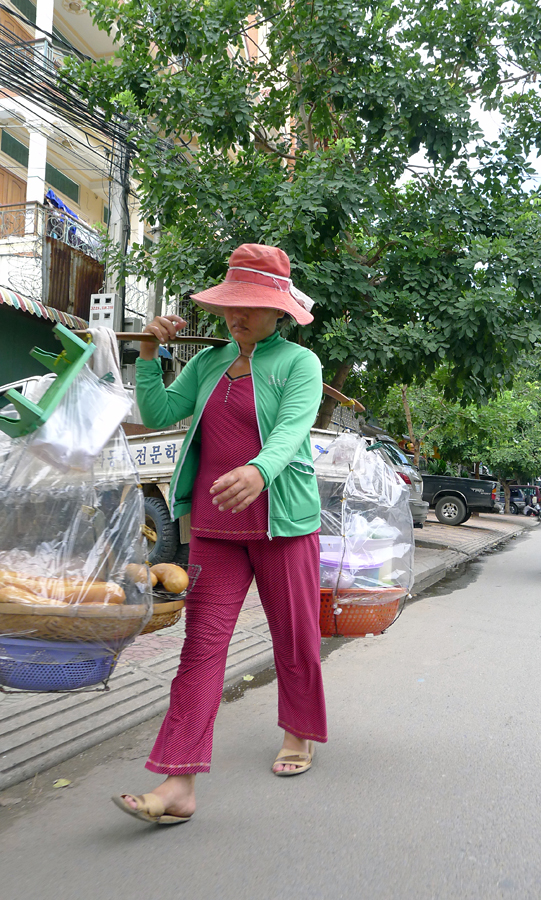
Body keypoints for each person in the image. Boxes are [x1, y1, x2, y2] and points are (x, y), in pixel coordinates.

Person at [112, 244, 328, 825]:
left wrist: (259, 471)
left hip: (283, 524)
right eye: (233, 305)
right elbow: (158, 413)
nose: (239, 316)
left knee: (295, 637)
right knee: (201, 649)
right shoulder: (209, 364)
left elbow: (290, 432)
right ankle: (178, 783)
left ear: (279, 310)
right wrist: (152, 355)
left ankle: (299, 730)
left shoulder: (298, 365)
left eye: (253, 307)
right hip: (213, 528)